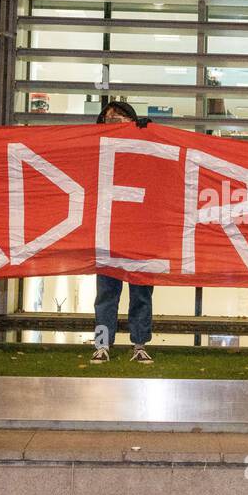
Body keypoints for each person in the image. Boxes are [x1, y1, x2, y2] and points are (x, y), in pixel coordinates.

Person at [91, 100, 154, 364]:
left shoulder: (146, 147)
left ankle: (139, 344)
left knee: (141, 292)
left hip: (141, 232)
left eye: (119, 116)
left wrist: (147, 132)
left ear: (132, 120)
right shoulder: (94, 147)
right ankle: (102, 344)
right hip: (108, 232)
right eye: (108, 117)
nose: (113, 119)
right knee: (107, 293)